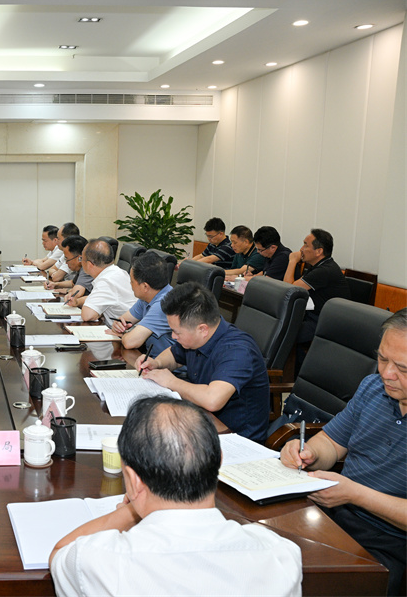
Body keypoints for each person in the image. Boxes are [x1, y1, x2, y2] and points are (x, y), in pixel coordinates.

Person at [49, 396, 302, 597]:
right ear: (218, 462)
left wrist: (130, 510)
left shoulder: (99, 561)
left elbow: (61, 552)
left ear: (134, 481)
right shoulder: (280, 555)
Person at [281, 308, 406, 596]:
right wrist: (309, 451)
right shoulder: (373, 387)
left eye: (403, 368)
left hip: (388, 540)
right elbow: (331, 442)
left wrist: (355, 494)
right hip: (331, 513)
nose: (387, 373)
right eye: (382, 358)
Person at [138, 282, 270, 442]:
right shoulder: (195, 338)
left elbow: (212, 400)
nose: (173, 337)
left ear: (202, 329)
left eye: (176, 332)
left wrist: (171, 381)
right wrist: (156, 363)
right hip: (201, 421)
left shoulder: (238, 350)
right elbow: (174, 355)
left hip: (235, 437)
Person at [283, 228, 350, 345]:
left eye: (305, 245)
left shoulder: (325, 270)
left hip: (326, 322)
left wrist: (292, 261)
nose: (301, 249)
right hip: (313, 315)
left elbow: (289, 290)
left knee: (283, 334)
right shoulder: (318, 266)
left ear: (319, 251)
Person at [112, 250, 176, 354]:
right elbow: (123, 320)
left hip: (167, 364)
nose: (130, 284)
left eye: (132, 281)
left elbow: (130, 342)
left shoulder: (164, 304)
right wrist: (117, 325)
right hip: (151, 359)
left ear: (145, 286)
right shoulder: (148, 296)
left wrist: (123, 335)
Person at [68, 239, 136, 322]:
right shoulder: (116, 272)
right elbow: (98, 298)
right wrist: (77, 302)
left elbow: (87, 315)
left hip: (125, 329)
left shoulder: (106, 281)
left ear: (89, 264)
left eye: (81, 259)